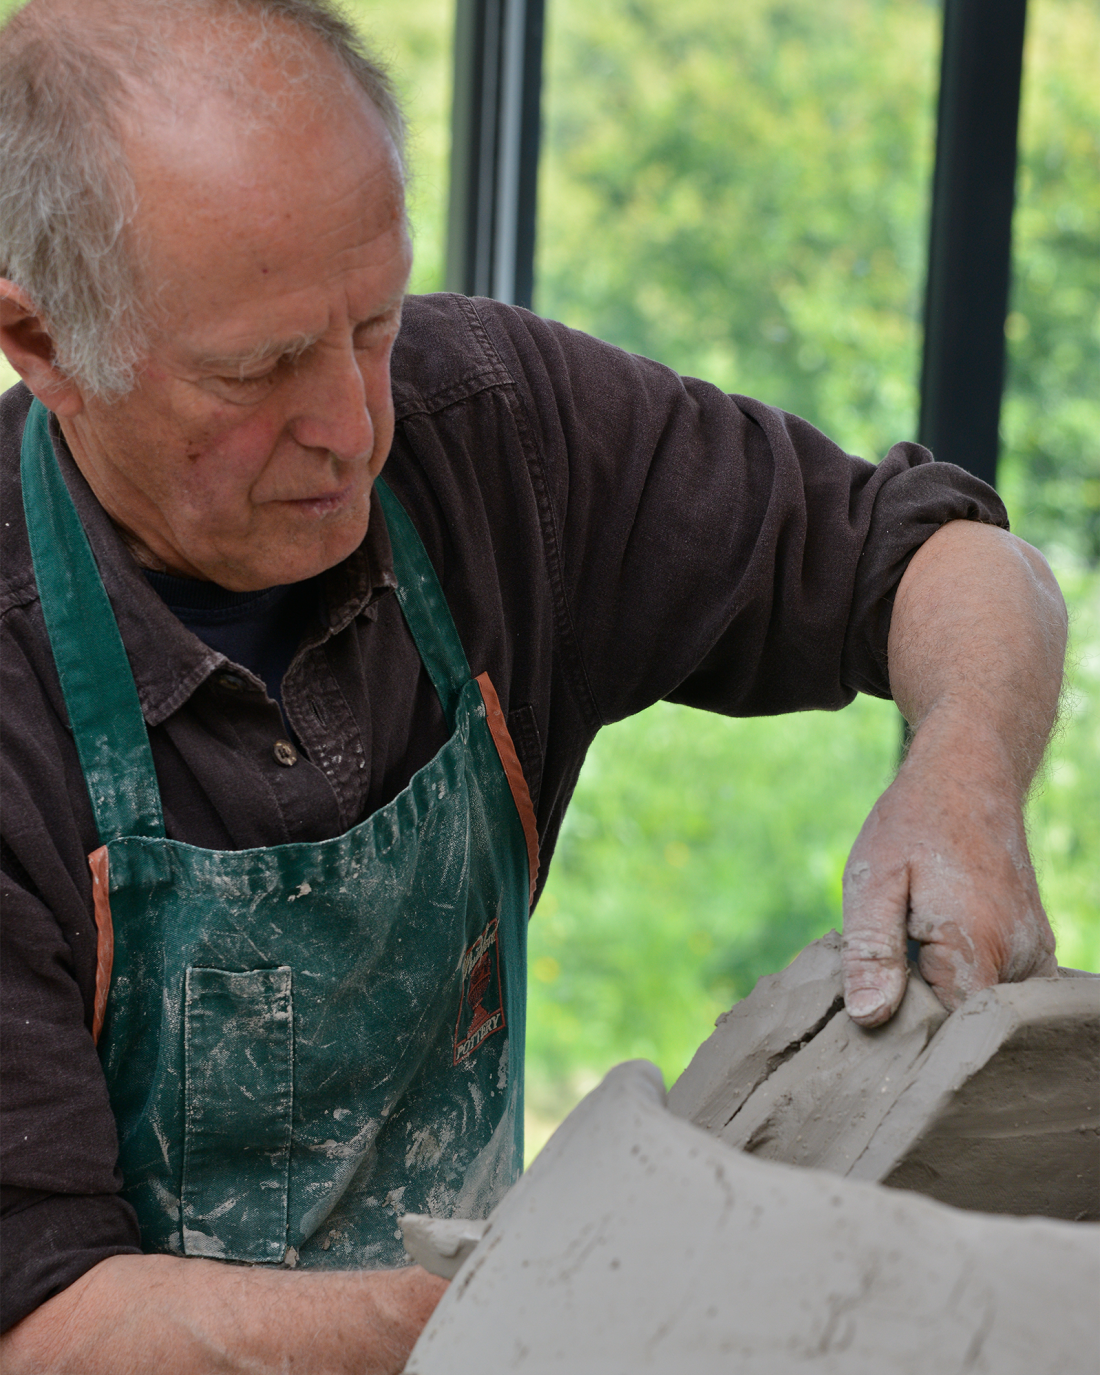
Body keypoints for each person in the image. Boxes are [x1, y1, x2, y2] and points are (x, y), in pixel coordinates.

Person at [0, 0, 1067, 1370]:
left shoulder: (494, 433)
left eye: (372, 320)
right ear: (42, 344)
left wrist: (963, 767)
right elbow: (46, 1324)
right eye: (257, 369)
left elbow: (945, 558)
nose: (351, 426)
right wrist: (554, 1294)